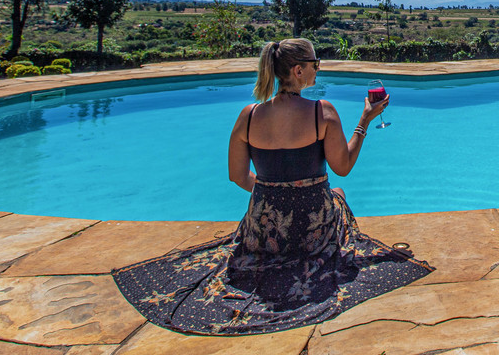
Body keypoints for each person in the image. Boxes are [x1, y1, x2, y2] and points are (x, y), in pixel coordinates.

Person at [113, 38, 432, 335]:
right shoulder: (322, 112)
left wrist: (275, 196)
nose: (317, 69)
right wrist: (365, 120)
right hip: (312, 234)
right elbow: (343, 168)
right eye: (315, 64)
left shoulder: (249, 116)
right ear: (298, 70)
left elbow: (237, 176)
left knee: (320, 199)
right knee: (339, 194)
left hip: (263, 234)